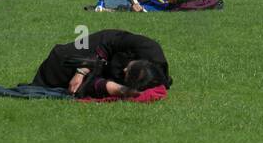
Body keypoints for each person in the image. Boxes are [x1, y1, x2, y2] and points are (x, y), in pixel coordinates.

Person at [30, 29, 171, 97]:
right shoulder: (146, 47)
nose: (125, 69)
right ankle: (47, 81)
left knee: (86, 87)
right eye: (129, 67)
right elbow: (108, 44)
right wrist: (82, 70)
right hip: (102, 45)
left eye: (127, 74)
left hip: (106, 67)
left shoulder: (156, 75)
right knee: (63, 59)